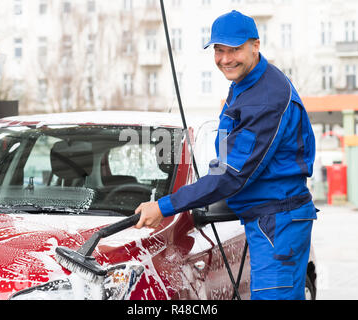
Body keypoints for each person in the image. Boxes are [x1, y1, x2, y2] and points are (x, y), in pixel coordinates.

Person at [135, 10, 317, 300]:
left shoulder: (265, 99)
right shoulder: (246, 86)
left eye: (235, 49)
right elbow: (226, 161)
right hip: (267, 218)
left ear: (255, 46)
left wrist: (165, 206)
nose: (225, 58)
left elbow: (229, 175)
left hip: (277, 223)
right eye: (219, 50)